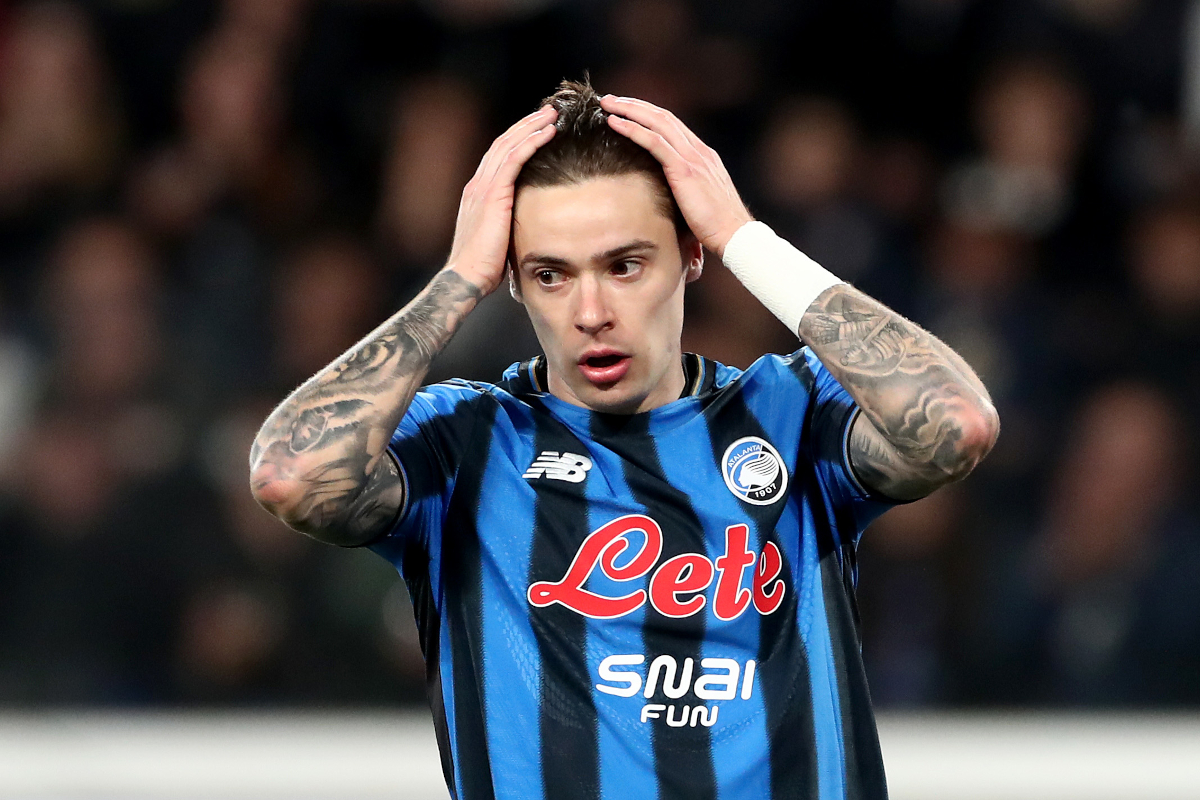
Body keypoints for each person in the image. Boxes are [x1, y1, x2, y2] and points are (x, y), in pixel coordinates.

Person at [249, 80, 999, 800]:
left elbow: (955, 425)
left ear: (692, 255)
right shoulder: (467, 442)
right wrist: (456, 281)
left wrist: (747, 238)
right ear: (513, 283)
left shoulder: (792, 412)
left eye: (625, 264)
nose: (591, 310)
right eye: (550, 274)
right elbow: (291, 476)